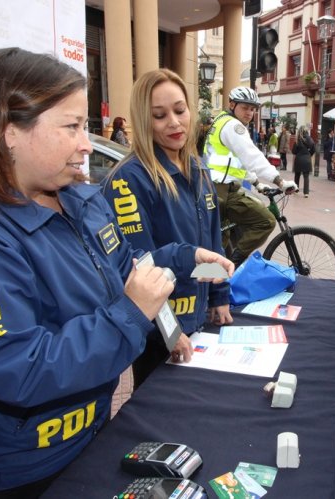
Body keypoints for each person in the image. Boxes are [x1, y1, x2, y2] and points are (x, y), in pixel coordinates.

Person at [0, 47, 232, 498]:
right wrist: (133, 313)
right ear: (8, 131)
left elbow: (129, 273)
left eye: (85, 126)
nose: (85, 144)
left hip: (93, 433)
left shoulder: (82, 198)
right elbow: (21, 368)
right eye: (72, 127)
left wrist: (176, 277)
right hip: (24, 465)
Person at [101, 69, 234, 388]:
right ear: (144, 121)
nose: (174, 122)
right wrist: (170, 330)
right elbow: (137, 266)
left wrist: (218, 295)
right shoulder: (128, 181)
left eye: (179, 110)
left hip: (199, 323)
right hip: (159, 336)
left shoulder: (199, 169)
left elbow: (213, 241)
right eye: (160, 115)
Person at [202, 87, 296, 267]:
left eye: (253, 109)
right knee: (265, 221)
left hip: (215, 187)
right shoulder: (233, 126)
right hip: (220, 190)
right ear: (232, 104)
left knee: (222, 238)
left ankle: (218, 274)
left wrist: (256, 183)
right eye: (245, 108)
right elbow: (253, 156)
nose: (249, 113)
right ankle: (232, 266)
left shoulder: (221, 121)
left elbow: (239, 160)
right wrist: (280, 181)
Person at [292, 126, 315, 197]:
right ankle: (306, 193)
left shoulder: (298, 139)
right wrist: (309, 154)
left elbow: (294, 151)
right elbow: (313, 149)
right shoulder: (310, 139)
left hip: (299, 159)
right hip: (307, 159)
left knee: (297, 175)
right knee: (306, 176)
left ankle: (296, 190)